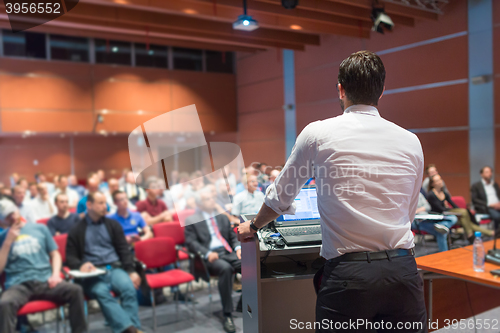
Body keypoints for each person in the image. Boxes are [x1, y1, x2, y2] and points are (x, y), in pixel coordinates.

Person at [238, 51, 428, 332]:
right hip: (403, 272)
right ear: (382, 90)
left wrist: (253, 225)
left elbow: (280, 196)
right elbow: (408, 210)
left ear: (341, 89)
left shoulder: (317, 134)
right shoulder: (411, 142)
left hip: (349, 277)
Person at [0, 199, 86, 333]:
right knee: (5, 304)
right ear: (2, 221)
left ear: (17, 210)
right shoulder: (2, 238)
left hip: (45, 280)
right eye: (7, 216)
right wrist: (7, 242)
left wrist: (55, 274)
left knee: (76, 290)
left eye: (13, 212)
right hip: (18, 284)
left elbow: (55, 255)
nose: (12, 217)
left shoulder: (40, 228)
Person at [66, 192, 143, 333]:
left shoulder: (113, 225)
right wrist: (80, 265)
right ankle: (132, 330)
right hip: (92, 274)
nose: (105, 206)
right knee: (102, 292)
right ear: (89, 205)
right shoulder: (77, 229)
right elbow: (70, 257)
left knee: (129, 289)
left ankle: (131, 329)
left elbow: (123, 250)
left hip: (113, 268)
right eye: (101, 203)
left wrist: (131, 271)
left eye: (105, 203)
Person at [185, 187, 241, 333]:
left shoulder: (221, 216)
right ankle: (227, 314)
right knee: (226, 269)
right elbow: (191, 243)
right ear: (200, 204)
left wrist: (238, 248)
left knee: (251, 265)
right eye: (207, 199)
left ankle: (244, 301)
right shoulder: (191, 220)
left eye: (212, 198)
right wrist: (207, 252)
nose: (212, 201)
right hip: (210, 257)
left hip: (228, 252)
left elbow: (232, 236)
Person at [427, 174, 493, 243]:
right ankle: (473, 235)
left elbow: (453, 205)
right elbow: (440, 209)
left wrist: (459, 213)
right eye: (437, 181)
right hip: (440, 216)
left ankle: (485, 233)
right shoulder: (431, 195)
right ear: (432, 184)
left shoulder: (444, 193)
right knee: (464, 214)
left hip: (447, 213)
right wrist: (457, 213)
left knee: (465, 220)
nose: (440, 182)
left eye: (440, 179)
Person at [470, 166, 500, 232]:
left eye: (490, 172)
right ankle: (497, 234)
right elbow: (474, 200)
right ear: (481, 174)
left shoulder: (495, 185)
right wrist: (490, 205)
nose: (489, 174)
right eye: (487, 172)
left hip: (498, 206)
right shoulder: (476, 186)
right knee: (497, 216)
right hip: (486, 207)